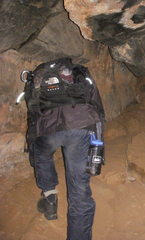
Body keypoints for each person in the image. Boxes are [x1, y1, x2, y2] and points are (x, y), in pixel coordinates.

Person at [23, 58, 105, 240]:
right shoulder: (81, 73)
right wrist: (98, 148)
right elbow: (97, 108)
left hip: (46, 129)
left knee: (43, 157)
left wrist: (34, 142)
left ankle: (50, 199)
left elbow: (32, 111)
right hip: (80, 126)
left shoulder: (38, 77)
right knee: (79, 189)